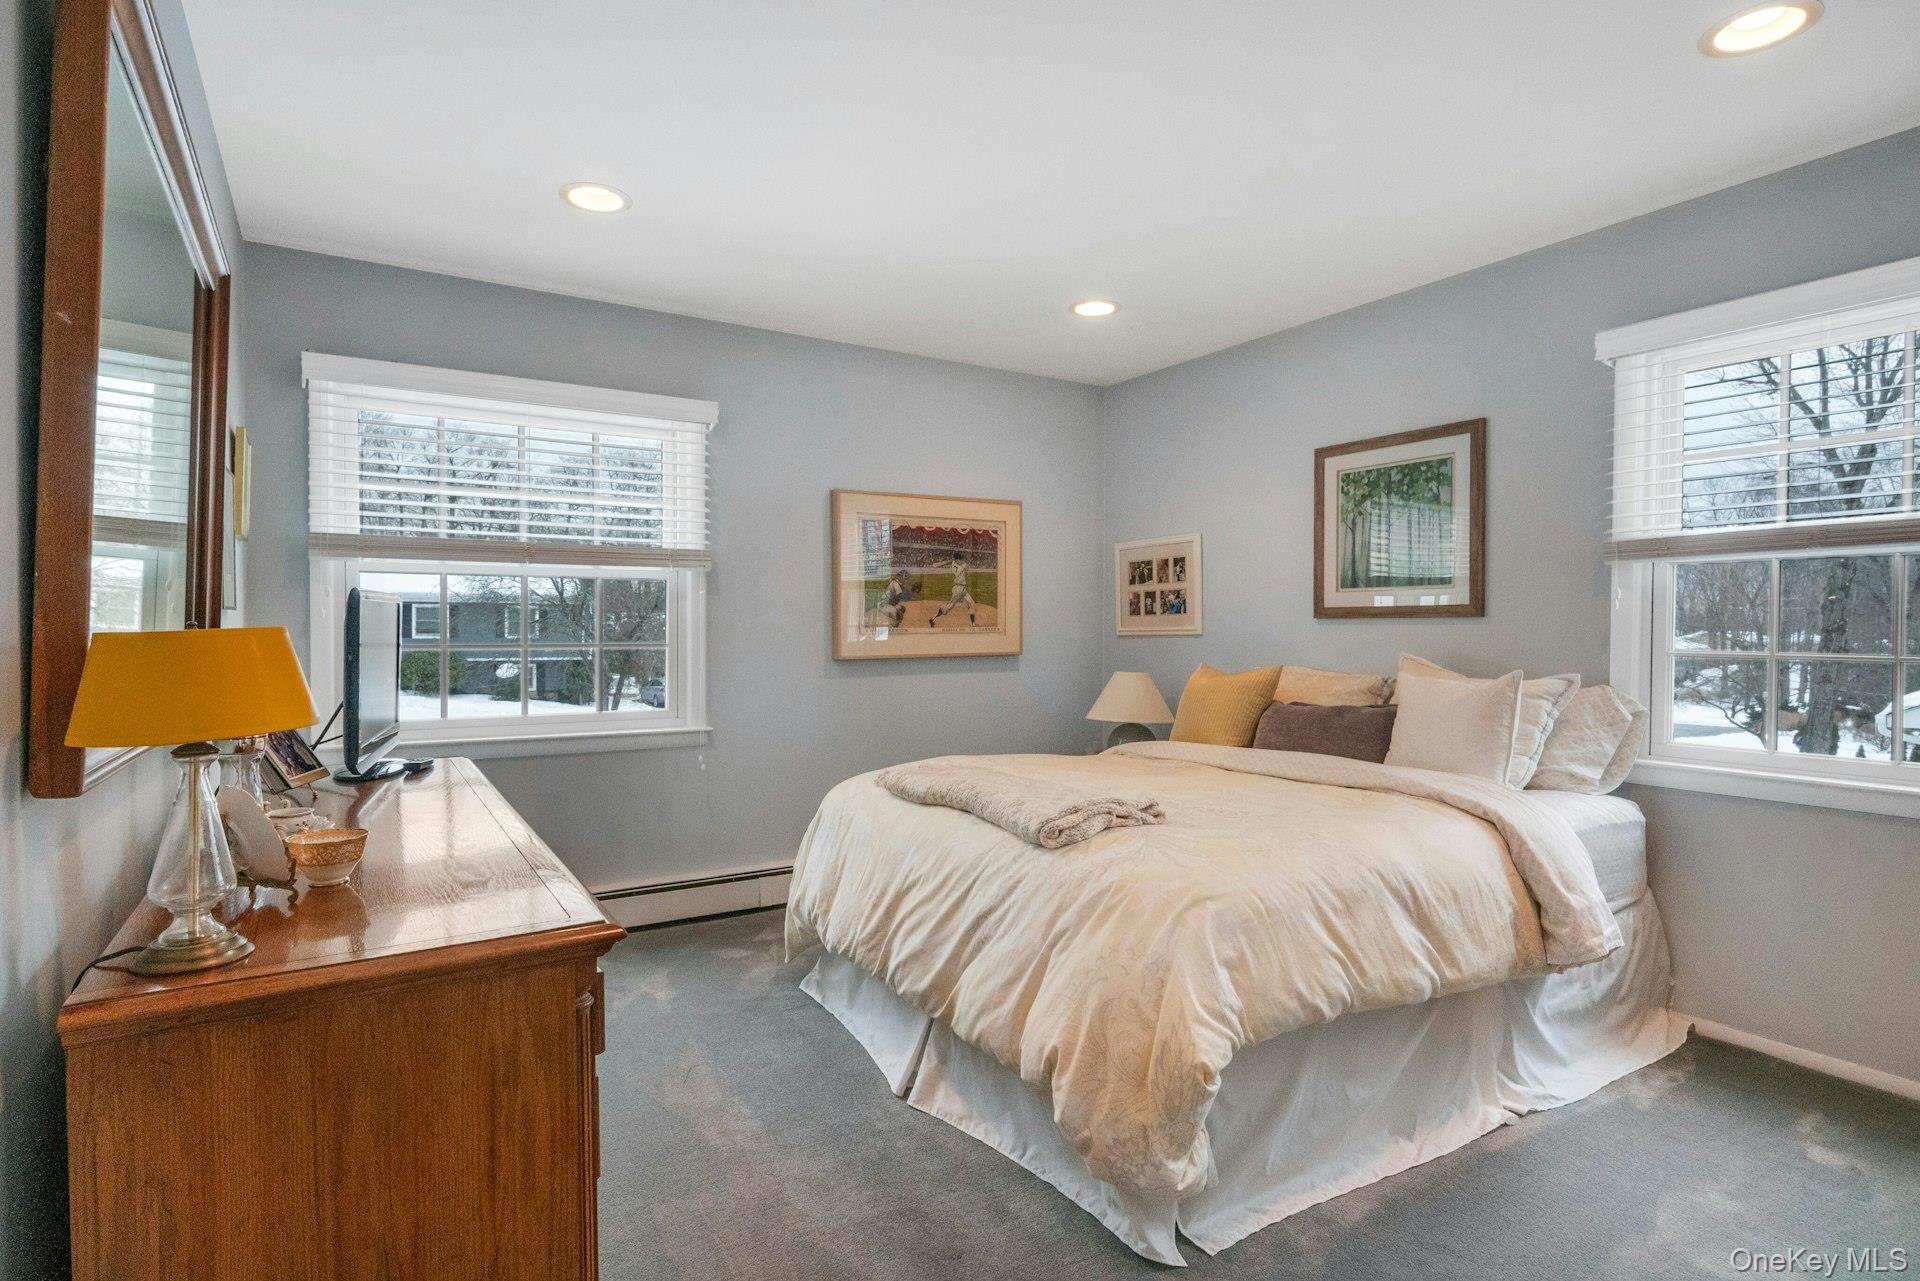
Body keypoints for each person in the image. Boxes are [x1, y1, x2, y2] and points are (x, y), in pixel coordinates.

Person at [929, 553, 976, 626]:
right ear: (957, 559)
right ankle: (932, 619)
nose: (961, 560)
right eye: (960, 559)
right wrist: (954, 561)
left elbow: (961, 564)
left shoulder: (955, 563)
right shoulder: (960, 565)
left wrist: (952, 560)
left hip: (963, 588)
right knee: (948, 607)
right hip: (958, 588)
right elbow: (963, 566)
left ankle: (973, 623)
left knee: (972, 603)